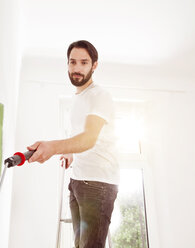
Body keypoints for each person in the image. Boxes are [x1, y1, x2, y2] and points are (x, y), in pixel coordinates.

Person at [27, 40, 119, 248]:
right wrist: (71, 153)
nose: (76, 68)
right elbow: (79, 136)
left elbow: (88, 138)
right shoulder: (78, 97)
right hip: (78, 181)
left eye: (84, 63)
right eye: (72, 62)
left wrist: (52, 147)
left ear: (94, 65)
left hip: (98, 185)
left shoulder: (99, 95)